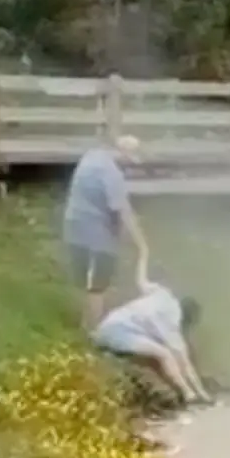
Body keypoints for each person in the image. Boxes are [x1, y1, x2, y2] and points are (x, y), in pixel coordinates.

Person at [93, 260, 213, 406]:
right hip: (119, 333)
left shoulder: (163, 294)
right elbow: (186, 364)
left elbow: (141, 281)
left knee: (156, 359)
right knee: (165, 354)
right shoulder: (172, 324)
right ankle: (189, 394)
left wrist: (143, 251)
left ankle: (179, 393)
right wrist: (204, 394)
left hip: (106, 326)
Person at [62, 134, 149, 330]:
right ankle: (94, 329)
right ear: (123, 154)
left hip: (73, 225)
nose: (128, 166)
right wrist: (141, 244)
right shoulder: (112, 173)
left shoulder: (91, 156)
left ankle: (84, 322)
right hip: (95, 234)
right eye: (129, 161)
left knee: (83, 279)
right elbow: (122, 211)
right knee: (98, 284)